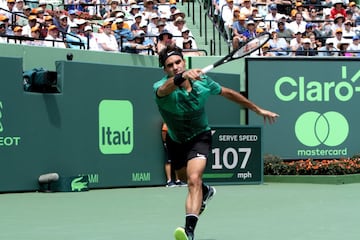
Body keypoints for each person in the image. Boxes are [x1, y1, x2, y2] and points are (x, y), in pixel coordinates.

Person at [153, 45, 279, 240]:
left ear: (184, 62)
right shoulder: (161, 87)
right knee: (184, 177)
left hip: (200, 136)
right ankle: (206, 191)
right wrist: (183, 76)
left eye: (178, 62)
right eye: (170, 65)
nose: (175, 67)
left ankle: (189, 231)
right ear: (165, 70)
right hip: (176, 140)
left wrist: (257, 110)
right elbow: (164, 89)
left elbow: (228, 93)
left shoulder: (203, 81)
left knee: (194, 179)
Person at [162, 123, 187, 187]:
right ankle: (169, 181)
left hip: (177, 142)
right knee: (168, 161)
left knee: (176, 160)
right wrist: (165, 142)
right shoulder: (167, 120)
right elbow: (164, 131)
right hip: (169, 142)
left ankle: (177, 180)